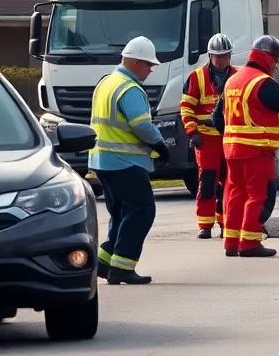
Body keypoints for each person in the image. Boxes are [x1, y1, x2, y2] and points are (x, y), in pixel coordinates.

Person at [212, 36, 279, 258]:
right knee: (258, 195)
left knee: (235, 194)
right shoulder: (261, 82)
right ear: (266, 58)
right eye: (275, 61)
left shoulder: (233, 80)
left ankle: (232, 242)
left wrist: (232, 136)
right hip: (257, 150)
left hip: (233, 150)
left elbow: (217, 117)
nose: (275, 66)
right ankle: (250, 242)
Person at [88, 36, 172, 285]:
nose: (150, 70)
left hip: (103, 161)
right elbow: (142, 125)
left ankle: (105, 262)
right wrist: (160, 145)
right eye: (148, 64)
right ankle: (123, 266)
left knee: (121, 212)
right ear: (134, 62)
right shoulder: (129, 88)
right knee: (142, 211)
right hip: (124, 162)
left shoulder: (107, 82)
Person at [181, 33, 235, 239]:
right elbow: (186, 108)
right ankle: (205, 225)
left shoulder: (237, 76)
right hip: (206, 138)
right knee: (207, 180)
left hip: (230, 138)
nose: (221, 60)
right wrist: (192, 132)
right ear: (210, 56)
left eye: (224, 56)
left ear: (230, 56)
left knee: (230, 183)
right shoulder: (196, 77)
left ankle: (226, 224)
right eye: (217, 56)